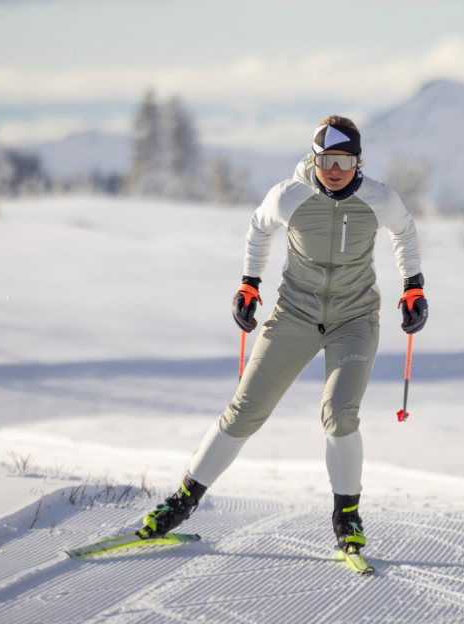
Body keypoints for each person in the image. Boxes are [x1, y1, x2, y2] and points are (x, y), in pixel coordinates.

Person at [135, 115, 427, 557]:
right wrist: (249, 283)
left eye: (343, 160)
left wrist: (414, 286)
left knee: (340, 414)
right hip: (295, 313)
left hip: (354, 319)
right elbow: (259, 228)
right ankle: (183, 500)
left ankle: (346, 514)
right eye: (326, 159)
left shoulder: (380, 199)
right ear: (314, 158)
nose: (334, 169)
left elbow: (405, 233)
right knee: (244, 411)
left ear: (358, 161)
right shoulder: (289, 195)